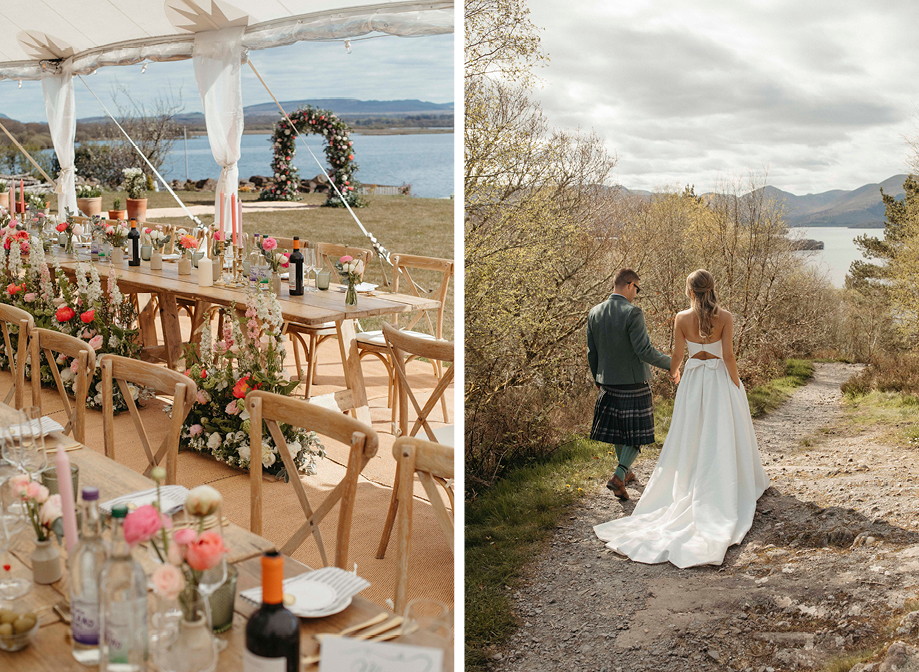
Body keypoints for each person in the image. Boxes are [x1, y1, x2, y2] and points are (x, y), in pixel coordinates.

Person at [594, 269, 770, 568]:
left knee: (691, 432)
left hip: (694, 378)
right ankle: (725, 477)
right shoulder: (725, 317)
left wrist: (676, 373)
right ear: (712, 289)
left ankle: (689, 480)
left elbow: (677, 355)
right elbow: (728, 356)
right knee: (721, 430)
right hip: (718, 378)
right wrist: (736, 383)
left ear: (690, 292)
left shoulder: (681, 318)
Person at [587, 268, 676, 501]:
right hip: (633, 383)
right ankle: (619, 475)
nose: (636, 293)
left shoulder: (594, 312)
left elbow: (591, 352)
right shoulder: (633, 313)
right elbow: (644, 350)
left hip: (607, 383)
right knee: (636, 435)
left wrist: (598, 378)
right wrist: (672, 364)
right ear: (629, 285)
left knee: (618, 433)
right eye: (637, 288)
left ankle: (626, 474)